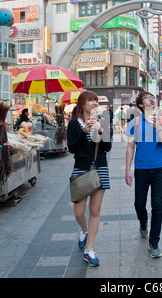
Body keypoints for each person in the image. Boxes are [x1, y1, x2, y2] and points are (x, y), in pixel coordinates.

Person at [125, 91, 162, 259]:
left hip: (159, 168)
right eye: (146, 98)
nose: (151, 99)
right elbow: (130, 147)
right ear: (140, 104)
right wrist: (127, 169)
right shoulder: (135, 123)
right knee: (139, 203)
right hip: (141, 169)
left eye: (152, 97)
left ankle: (154, 243)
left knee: (157, 206)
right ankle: (143, 222)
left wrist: (158, 128)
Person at [67, 91, 112, 267]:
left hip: (100, 168)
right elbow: (72, 148)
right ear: (82, 104)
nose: (94, 103)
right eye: (90, 100)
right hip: (81, 169)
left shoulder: (104, 121)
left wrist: (101, 130)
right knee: (79, 212)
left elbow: (107, 148)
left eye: (96, 100)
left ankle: (89, 249)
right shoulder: (73, 124)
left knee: (95, 211)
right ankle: (84, 231)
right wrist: (83, 132)